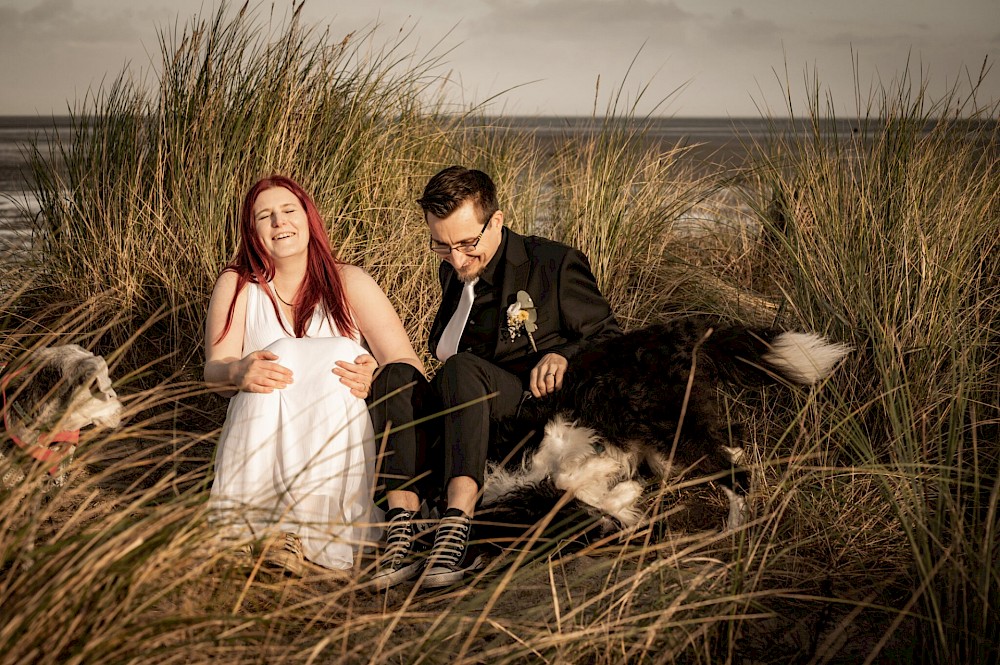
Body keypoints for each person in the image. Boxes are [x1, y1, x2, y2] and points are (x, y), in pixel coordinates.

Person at [371, 166, 621, 589]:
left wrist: (563, 355)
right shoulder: (452, 271)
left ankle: (457, 526)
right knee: (393, 375)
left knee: (462, 366)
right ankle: (404, 528)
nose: (457, 259)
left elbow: (611, 339)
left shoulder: (553, 264)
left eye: (469, 243)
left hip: (522, 415)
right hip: (462, 409)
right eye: (442, 246)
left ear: (497, 221)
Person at [205, 174, 424, 573]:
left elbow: (408, 366)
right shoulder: (236, 285)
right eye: (264, 216)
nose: (279, 223)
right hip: (258, 433)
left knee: (341, 351)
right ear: (251, 231)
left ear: (309, 219)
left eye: (289, 211)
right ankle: (262, 525)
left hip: (336, 437)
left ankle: (296, 527)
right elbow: (213, 373)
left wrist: (372, 374)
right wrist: (238, 371)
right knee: (278, 354)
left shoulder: (349, 282)